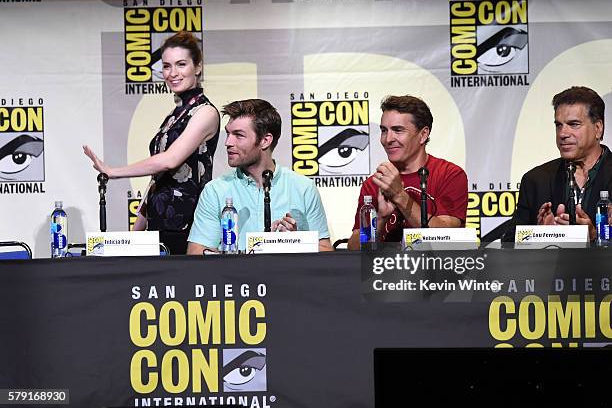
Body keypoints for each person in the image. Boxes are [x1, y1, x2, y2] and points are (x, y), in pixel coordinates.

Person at [83, 31, 220, 254]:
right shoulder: (173, 116)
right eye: (166, 66)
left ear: (198, 67)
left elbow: (169, 160)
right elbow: (157, 180)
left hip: (191, 227)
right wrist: (134, 236)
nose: (172, 73)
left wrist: (113, 171)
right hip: (159, 226)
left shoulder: (205, 113)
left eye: (181, 64)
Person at [187, 99, 333, 254]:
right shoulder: (215, 191)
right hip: (236, 278)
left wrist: (295, 242)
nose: (228, 142)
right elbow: (196, 253)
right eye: (228, 133)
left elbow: (326, 253)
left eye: (238, 135)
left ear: (265, 140)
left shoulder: (303, 188)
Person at [347, 95, 468, 250]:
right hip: (384, 272)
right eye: (384, 130)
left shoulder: (449, 174)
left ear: (423, 135)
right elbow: (354, 250)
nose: (388, 139)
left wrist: (399, 196)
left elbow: (448, 240)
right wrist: (380, 219)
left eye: (398, 130)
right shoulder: (376, 182)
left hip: (435, 272)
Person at [503, 86, 608, 242]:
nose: (563, 134)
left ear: (598, 128)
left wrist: (596, 236)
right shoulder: (535, 180)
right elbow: (509, 240)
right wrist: (540, 234)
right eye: (559, 125)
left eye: (574, 124)